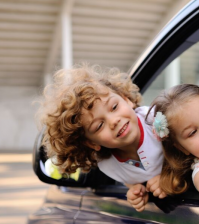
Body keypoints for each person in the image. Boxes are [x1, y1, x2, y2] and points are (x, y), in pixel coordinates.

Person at [38, 64, 166, 212]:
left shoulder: (156, 119)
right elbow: (129, 177)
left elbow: (192, 151)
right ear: (91, 143)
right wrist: (137, 189)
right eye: (99, 126)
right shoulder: (108, 165)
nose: (113, 121)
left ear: (126, 99)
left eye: (114, 107)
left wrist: (168, 178)